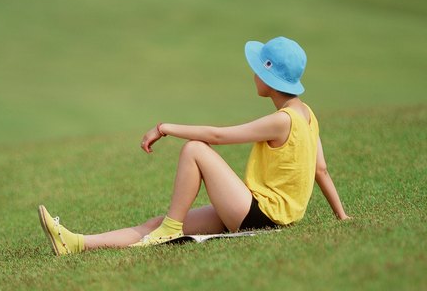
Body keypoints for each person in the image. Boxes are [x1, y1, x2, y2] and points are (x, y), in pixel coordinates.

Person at [38, 36, 350, 256]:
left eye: (258, 68)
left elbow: (217, 136)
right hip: (258, 211)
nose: (253, 73)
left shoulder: (282, 121)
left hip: (263, 216)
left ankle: (172, 228)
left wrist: (165, 127)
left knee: (196, 149)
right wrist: (342, 216)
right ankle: (76, 243)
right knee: (154, 224)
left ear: (270, 76)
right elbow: (320, 169)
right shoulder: (308, 115)